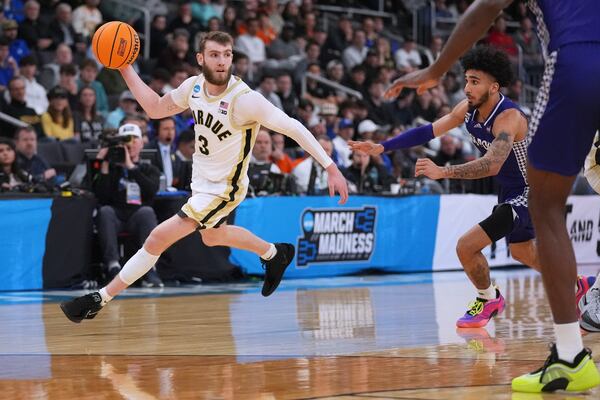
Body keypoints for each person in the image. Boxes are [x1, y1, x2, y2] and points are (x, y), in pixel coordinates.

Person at [382, 0, 600, 393]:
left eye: (475, 80)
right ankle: (581, 287)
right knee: (522, 252)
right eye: (465, 80)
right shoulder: (467, 109)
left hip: (574, 68)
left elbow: (495, 163)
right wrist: (382, 148)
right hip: (510, 194)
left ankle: (560, 347)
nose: (468, 87)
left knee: (496, 233)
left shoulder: (509, 116)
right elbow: (430, 131)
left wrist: (435, 70)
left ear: (494, 84)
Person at [60, 31, 348, 322]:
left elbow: (292, 127)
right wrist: (125, 67)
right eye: (214, 55)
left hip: (225, 188)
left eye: (227, 54)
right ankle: (275, 254)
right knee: (212, 237)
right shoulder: (193, 87)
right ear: (201, 59)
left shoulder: (245, 100)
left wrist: (330, 166)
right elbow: (155, 108)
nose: (222, 61)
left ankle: (99, 298)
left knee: (158, 237)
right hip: (202, 183)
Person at [90, 123, 163, 287]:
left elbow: (151, 191)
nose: (130, 143)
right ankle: (113, 266)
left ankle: (149, 269)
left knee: (147, 212)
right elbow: (101, 196)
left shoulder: (148, 168)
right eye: (125, 140)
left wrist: (131, 167)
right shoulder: (111, 169)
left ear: (142, 143)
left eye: (134, 139)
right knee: (105, 211)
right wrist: (105, 166)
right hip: (115, 215)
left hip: (137, 215)